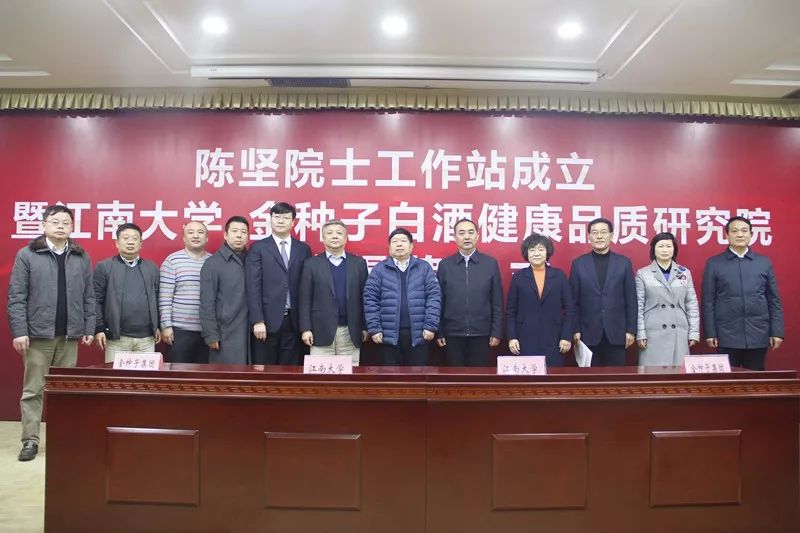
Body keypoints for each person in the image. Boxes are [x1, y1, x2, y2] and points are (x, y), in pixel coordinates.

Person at [7, 204, 94, 461]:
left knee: (65, 391)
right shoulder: (27, 254)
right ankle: (30, 441)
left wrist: (89, 327)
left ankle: (62, 438)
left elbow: (88, 295)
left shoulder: (80, 256)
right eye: (55, 221)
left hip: (69, 336)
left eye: (66, 223)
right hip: (37, 336)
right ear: (44, 225)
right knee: (33, 390)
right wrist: (19, 331)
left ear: (72, 227)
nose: (60, 226)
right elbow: (16, 296)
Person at [701, 216, 784, 370]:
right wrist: (711, 333)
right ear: (727, 235)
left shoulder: (763, 262)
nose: (740, 234)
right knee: (727, 380)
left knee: (755, 379)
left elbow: (774, 301)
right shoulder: (714, 263)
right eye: (735, 231)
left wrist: (777, 331)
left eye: (744, 231)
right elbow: (708, 301)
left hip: (758, 333)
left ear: (751, 235)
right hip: (726, 334)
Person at [246, 202, 311, 365]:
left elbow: (306, 288)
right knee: (264, 371)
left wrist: (306, 325)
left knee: (290, 371)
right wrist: (257, 320)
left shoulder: (303, 249)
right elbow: (253, 287)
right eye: (277, 217)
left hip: (294, 322)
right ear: (270, 219)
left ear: (293, 222)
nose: (281, 221)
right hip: (266, 322)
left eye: (286, 218)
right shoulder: (258, 248)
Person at [363, 228, 441, 366]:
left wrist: (430, 326)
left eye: (403, 241)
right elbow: (370, 300)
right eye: (395, 241)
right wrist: (374, 328)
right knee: (390, 376)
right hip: (387, 336)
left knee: (417, 375)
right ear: (389, 247)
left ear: (411, 246)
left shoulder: (424, 268)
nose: (399, 244)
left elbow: (434, 297)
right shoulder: (379, 270)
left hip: (419, 335)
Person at [298, 220, 369, 365]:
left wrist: (365, 326)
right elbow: (304, 299)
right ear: (323, 238)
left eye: (339, 233)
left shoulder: (359, 263)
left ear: (346, 238)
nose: (334, 236)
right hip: (320, 331)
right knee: (320, 374)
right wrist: (305, 328)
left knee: (349, 374)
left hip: (350, 331)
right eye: (329, 233)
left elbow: (365, 298)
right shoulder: (311, 264)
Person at [569, 217, 636, 366]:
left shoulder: (624, 263)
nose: (599, 236)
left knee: (616, 377)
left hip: (617, 332)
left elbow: (631, 299)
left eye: (603, 232)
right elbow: (573, 302)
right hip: (587, 333)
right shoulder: (578, 264)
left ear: (611, 236)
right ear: (589, 237)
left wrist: (631, 330)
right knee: (590, 379)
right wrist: (575, 329)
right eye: (595, 233)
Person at [436, 218, 503, 366]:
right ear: (455, 237)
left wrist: (496, 331)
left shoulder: (490, 264)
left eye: (471, 232)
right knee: (454, 376)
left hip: (482, 333)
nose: (467, 236)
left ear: (477, 236)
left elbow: (497, 301)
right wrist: (439, 331)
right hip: (452, 334)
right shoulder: (445, 265)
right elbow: (439, 301)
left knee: (478, 377)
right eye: (461, 233)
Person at [94, 223, 161, 363]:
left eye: (135, 238)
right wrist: (98, 328)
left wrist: (158, 326)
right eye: (125, 238)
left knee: (145, 377)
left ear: (141, 243)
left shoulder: (151, 268)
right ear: (117, 243)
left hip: (146, 339)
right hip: (117, 338)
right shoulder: (104, 267)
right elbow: (95, 300)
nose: (130, 242)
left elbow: (158, 298)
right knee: (116, 377)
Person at [507, 233, 576, 366]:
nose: (536, 253)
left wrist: (566, 336)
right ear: (527, 253)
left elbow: (570, 309)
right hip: (525, 338)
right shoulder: (518, 277)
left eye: (540, 249)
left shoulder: (559, 276)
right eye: (532, 250)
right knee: (529, 375)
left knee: (553, 376)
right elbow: (511, 311)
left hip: (555, 338)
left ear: (547, 252)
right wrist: (512, 337)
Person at [635, 232, 699, 366]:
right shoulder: (643, 274)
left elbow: (691, 304)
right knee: (653, 375)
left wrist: (694, 333)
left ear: (674, 249)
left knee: (677, 375)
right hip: (653, 333)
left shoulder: (684, 273)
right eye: (660, 246)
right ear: (653, 249)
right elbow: (639, 306)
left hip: (678, 332)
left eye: (669, 246)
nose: (665, 250)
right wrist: (640, 333)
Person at [200, 216, 252, 365]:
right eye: (234, 231)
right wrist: (211, 334)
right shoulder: (213, 263)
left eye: (243, 232)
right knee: (227, 375)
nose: (239, 235)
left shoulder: (253, 260)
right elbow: (206, 302)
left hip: (252, 332)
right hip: (225, 333)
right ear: (225, 234)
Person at [159, 220, 211, 363]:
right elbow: (164, 297)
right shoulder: (172, 261)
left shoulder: (213, 261)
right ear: (183, 237)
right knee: (178, 373)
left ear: (207, 238)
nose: (196, 236)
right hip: (179, 331)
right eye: (190, 232)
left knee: (204, 373)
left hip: (207, 332)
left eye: (200, 232)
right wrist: (166, 326)